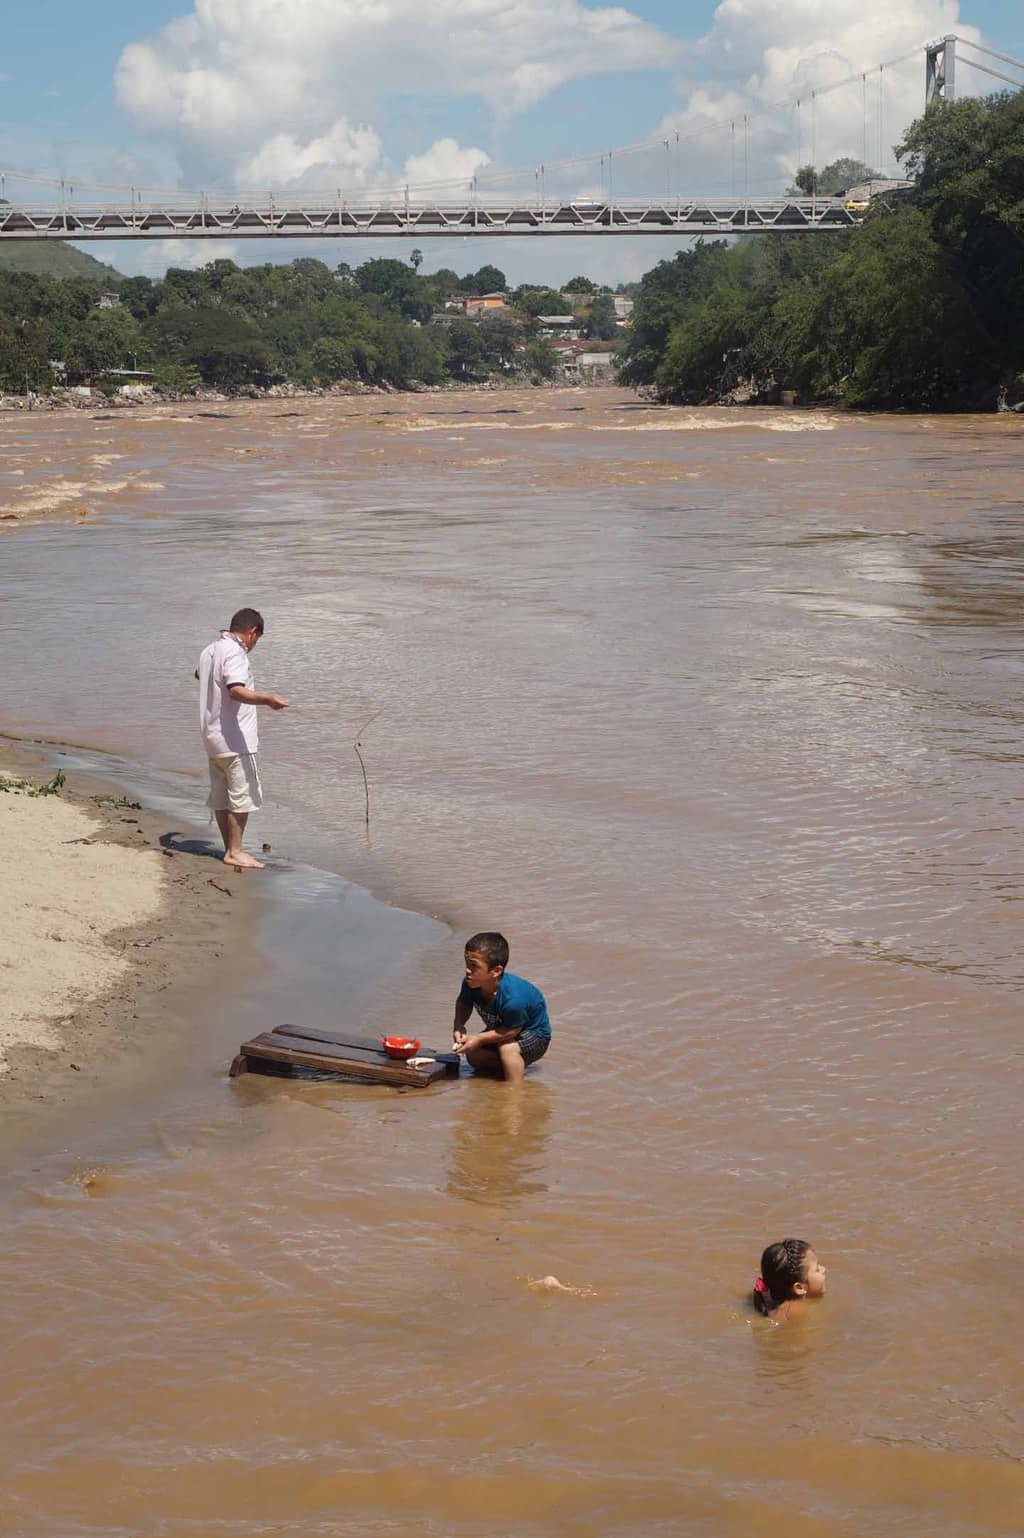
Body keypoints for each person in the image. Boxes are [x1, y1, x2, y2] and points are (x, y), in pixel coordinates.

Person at [197, 607, 288, 870]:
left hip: (211, 736)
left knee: (221, 796)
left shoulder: (210, 650)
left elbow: (200, 675)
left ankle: (229, 849)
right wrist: (268, 699)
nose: (254, 645)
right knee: (241, 795)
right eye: (256, 639)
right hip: (234, 738)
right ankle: (235, 851)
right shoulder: (235, 652)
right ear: (252, 632)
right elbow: (235, 690)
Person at [452, 932, 551, 1085]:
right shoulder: (471, 983)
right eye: (466, 963)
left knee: (507, 1048)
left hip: (534, 1035)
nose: (467, 970)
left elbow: (512, 1031)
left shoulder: (513, 999)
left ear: (496, 971)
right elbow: (464, 1003)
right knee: (473, 1054)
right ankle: (501, 1073)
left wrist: (478, 1038)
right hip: (503, 1028)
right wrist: (459, 1025)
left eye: (474, 966)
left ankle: (514, 1091)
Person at [752, 1238, 827, 1322]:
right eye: (817, 1269)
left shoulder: (773, 1302)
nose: (823, 1269)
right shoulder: (798, 1311)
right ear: (799, 1288)